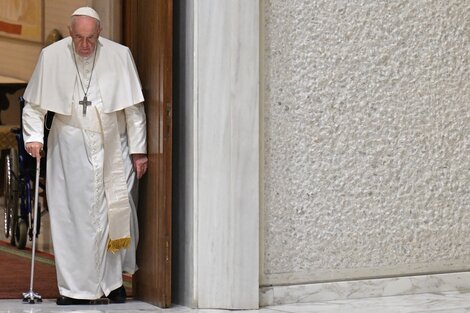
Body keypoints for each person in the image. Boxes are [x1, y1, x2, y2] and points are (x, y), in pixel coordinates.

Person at [22, 7, 148, 305]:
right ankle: (73, 289)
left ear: (100, 33)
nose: (85, 45)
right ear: (70, 33)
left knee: (110, 216)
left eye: (91, 38)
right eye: (79, 38)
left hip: (111, 145)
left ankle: (113, 284)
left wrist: (139, 151)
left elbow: (133, 110)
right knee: (71, 218)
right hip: (68, 147)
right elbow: (34, 106)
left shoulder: (119, 55)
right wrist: (34, 137)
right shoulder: (52, 57)